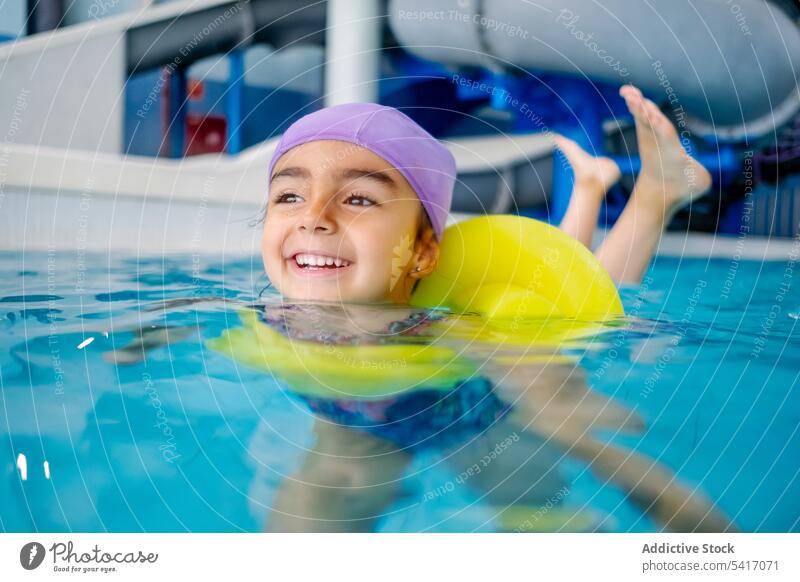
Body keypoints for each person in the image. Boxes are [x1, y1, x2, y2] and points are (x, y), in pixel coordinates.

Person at [255, 85, 733, 533]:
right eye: (289, 196)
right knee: (300, 527)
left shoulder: (439, 330)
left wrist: (644, 480)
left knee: (540, 519)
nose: (313, 217)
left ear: (422, 252)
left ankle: (653, 197)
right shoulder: (261, 311)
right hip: (358, 423)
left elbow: (554, 404)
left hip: (478, 421)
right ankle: (639, 192)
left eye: (359, 198)